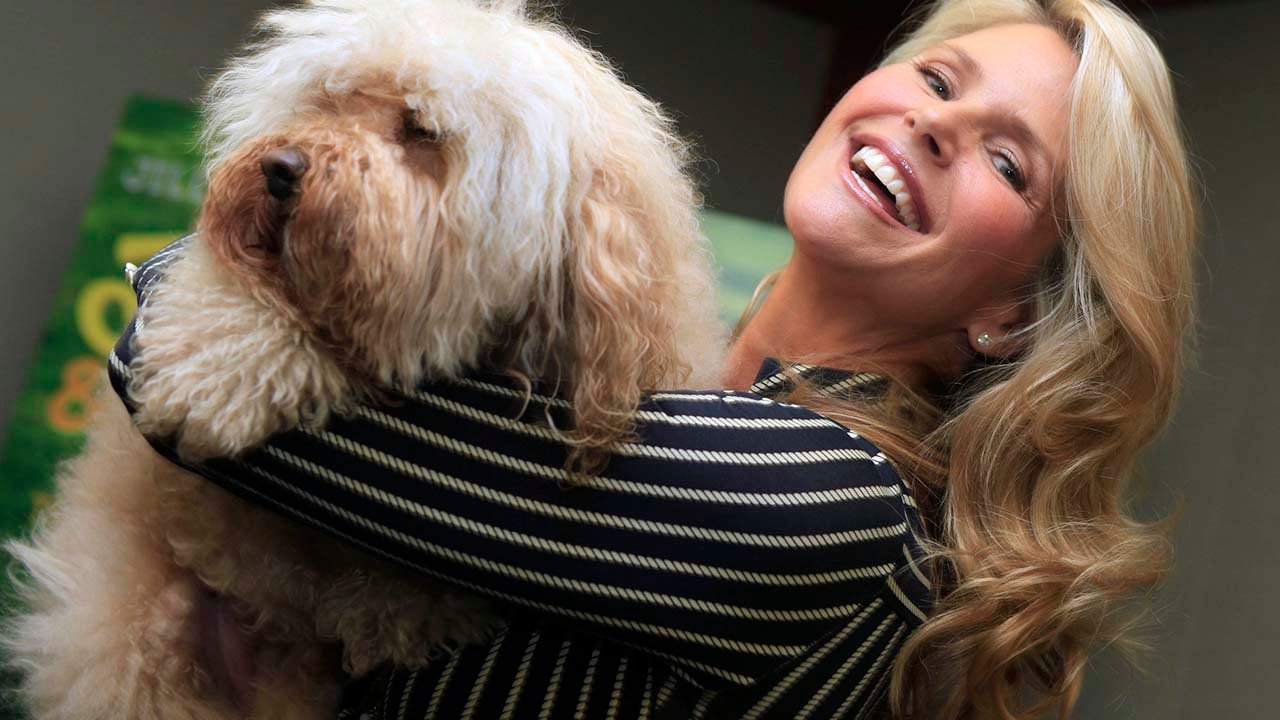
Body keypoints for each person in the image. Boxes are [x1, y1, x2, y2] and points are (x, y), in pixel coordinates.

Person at [110, 0, 1198, 717]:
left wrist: (217, 271)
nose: (932, 126)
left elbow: (203, 400)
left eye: (1006, 161)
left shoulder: (831, 507)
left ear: (1010, 317)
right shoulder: (675, 399)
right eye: (936, 79)